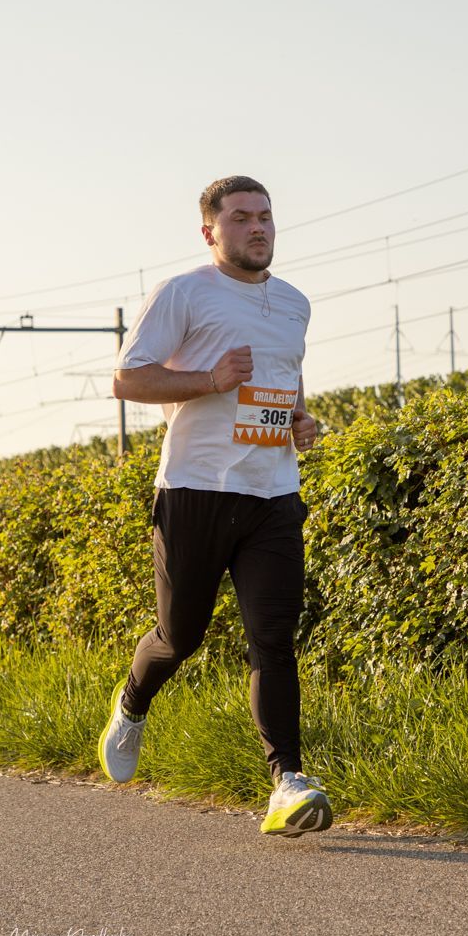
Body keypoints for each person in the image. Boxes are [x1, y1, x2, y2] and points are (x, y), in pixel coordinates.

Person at [98, 175, 332, 838]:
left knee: (273, 638)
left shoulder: (294, 303)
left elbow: (285, 378)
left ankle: (287, 783)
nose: (257, 228)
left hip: (273, 493)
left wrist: (299, 419)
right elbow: (127, 378)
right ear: (210, 231)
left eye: (265, 217)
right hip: (195, 489)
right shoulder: (182, 292)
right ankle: (132, 704)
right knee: (181, 636)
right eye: (240, 218)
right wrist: (208, 379)